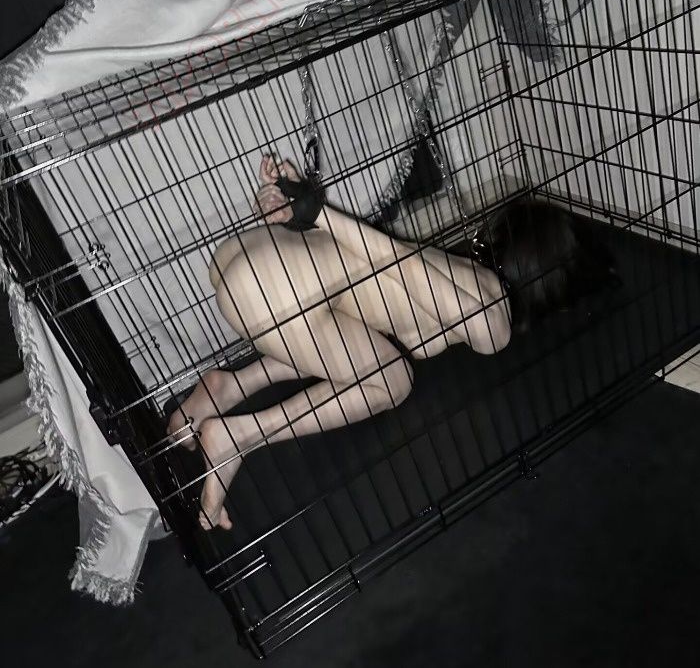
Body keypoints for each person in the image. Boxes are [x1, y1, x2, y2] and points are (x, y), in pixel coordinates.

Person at [168, 154, 615, 530]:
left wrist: (299, 215)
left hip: (244, 257)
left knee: (356, 339)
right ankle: (240, 436)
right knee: (391, 379)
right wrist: (316, 211)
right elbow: (396, 261)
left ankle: (231, 385)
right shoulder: (493, 318)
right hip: (265, 291)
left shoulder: (461, 266)